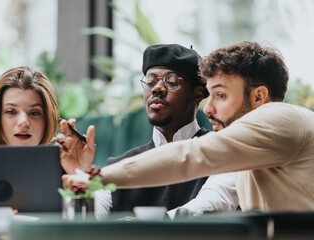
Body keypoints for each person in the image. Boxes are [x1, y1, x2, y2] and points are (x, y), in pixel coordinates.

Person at [63, 41, 314, 212]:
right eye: (150, 81)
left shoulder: (280, 118)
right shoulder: (251, 152)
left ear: (258, 97)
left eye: (221, 96)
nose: (208, 108)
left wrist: (95, 177)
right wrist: (85, 183)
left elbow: (191, 156)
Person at [58, 44, 238, 217]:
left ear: (197, 93)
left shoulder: (220, 152)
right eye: (150, 82)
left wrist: (137, 228)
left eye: (171, 81)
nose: (157, 89)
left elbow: (211, 205)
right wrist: (79, 177)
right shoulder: (121, 164)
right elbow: (90, 219)